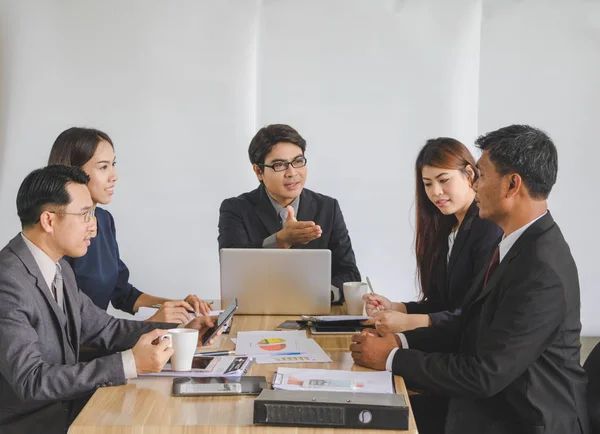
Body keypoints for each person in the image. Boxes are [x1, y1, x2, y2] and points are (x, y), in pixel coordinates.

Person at [350, 125, 589, 434]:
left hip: (522, 419)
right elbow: (469, 326)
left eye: (482, 176)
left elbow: (483, 375)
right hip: (493, 404)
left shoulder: (541, 269)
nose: (476, 186)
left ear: (512, 185)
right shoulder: (518, 245)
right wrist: (401, 341)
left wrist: (393, 357)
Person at [0, 165, 220, 434]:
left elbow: (105, 329)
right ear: (48, 220)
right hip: (35, 425)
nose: (93, 227)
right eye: (84, 215)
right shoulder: (8, 281)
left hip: (73, 411)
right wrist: (129, 363)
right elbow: (31, 381)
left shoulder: (58, 268)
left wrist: (177, 332)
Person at [48, 127, 210, 323]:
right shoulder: (60, 232)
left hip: (104, 340)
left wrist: (176, 306)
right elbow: (66, 328)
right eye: (103, 167)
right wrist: (147, 326)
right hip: (83, 349)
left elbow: (123, 294)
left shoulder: (104, 220)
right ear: (73, 171)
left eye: (113, 164)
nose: (114, 175)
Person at [363, 138, 502, 332]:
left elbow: (474, 315)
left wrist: (407, 323)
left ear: (469, 174)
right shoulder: (447, 229)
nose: (435, 192)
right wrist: (395, 307)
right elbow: (439, 305)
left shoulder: (488, 228)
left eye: (444, 180)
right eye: (427, 184)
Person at [218, 124, 360, 303]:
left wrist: (323, 294)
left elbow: (350, 274)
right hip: (257, 309)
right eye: (279, 165)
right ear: (258, 171)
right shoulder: (236, 208)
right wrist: (280, 241)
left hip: (315, 311)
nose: (292, 173)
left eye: (298, 161)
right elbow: (232, 270)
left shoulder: (327, 207)